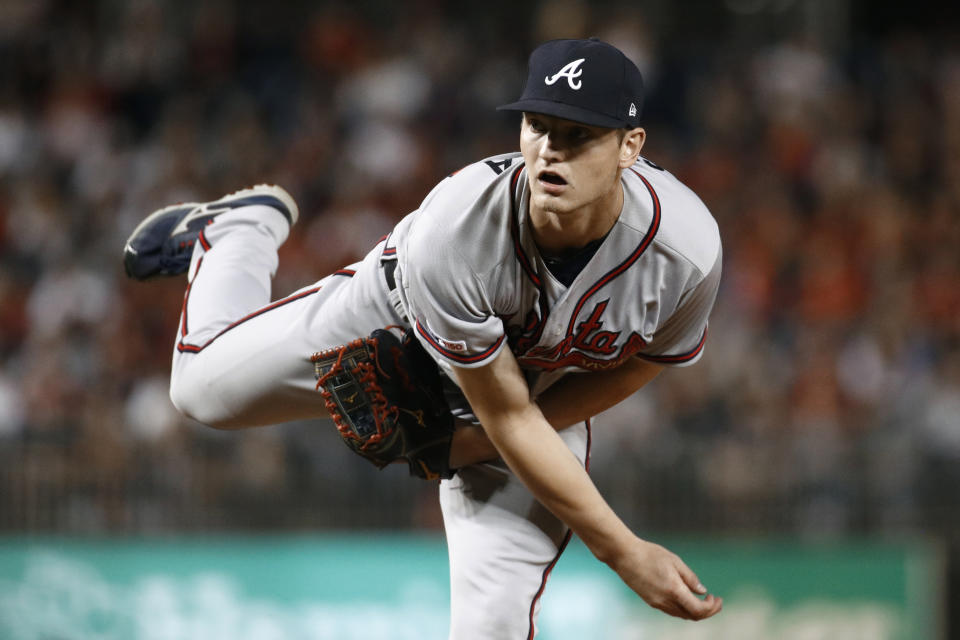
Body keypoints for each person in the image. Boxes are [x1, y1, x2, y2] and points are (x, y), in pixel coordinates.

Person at [124, 38, 724, 637]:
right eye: (538, 126)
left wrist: (488, 440)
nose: (549, 153)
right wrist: (622, 550)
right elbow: (508, 419)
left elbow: (644, 362)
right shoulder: (457, 230)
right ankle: (243, 229)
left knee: (493, 626)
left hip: (533, 394)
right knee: (199, 392)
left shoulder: (687, 252)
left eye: (578, 135)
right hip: (395, 313)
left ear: (630, 146)